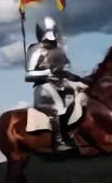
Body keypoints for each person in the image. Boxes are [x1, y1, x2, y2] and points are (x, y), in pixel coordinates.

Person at [25, 16, 86, 153]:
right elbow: (29, 75)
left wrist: (78, 79)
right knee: (58, 107)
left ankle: (74, 133)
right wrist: (49, 73)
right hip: (43, 86)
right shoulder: (35, 50)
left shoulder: (57, 50)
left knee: (82, 97)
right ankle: (58, 142)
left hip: (62, 84)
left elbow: (65, 71)